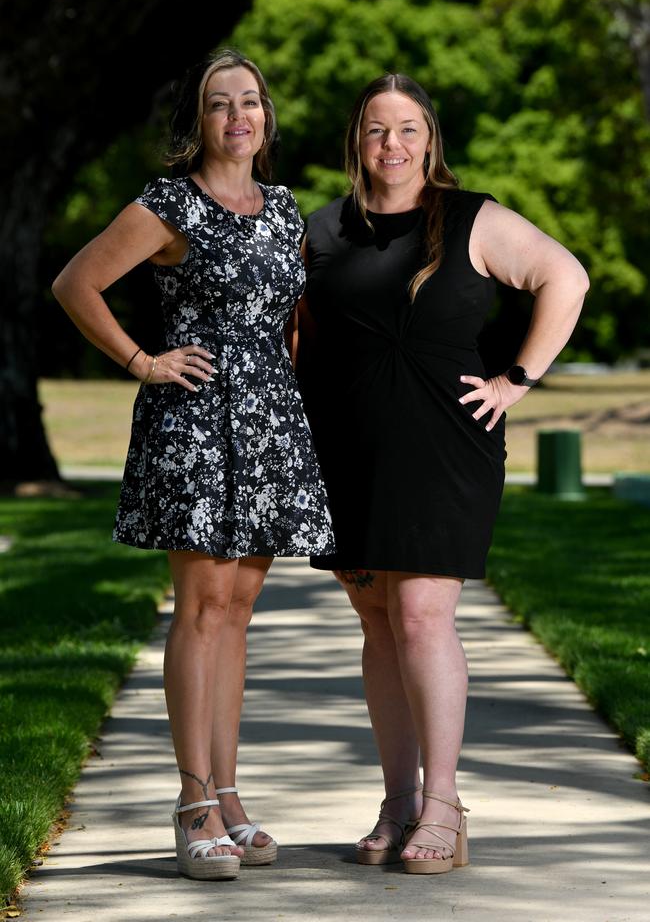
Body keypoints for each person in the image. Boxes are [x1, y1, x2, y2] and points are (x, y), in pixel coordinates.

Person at [52, 48, 335, 881]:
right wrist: (144, 361)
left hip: (269, 420)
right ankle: (190, 802)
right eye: (221, 104)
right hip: (198, 420)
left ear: (267, 117)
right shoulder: (169, 203)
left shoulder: (285, 210)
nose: (239, 117)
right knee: (202, 607)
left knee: (240, 609)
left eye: (251, 102)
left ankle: (230, 792)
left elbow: (290, 319)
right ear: (198, 121)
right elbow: (77, 283)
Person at [298, 73, 589, 876]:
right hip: (348, 449)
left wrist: (516, 380)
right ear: (356, 141)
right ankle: (396, 802)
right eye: (376, 130)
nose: (392, 146)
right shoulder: (322, 229)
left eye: (408, 130)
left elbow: (567, 278)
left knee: (423, 615)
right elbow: (298, 334)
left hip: (445, 447)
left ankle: (444, 804)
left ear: (431, 139)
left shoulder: (472, 218)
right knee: (378, 625)